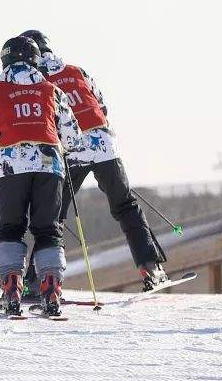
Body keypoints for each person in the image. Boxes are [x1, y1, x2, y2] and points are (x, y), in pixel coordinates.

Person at [20, 29, 168, 292]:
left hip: (70, 151)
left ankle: (36, 281)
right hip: (104, 145)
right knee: (126, 205)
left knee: (52, 217)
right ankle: (151, 267)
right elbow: (102, 105)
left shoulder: (34, 78)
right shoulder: (77, 70)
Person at [0, 36, 85, 316]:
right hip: (49, 168)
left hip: (11, 168)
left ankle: (10, 284)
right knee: (48, 230)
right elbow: (73, 138)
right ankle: (51, 285)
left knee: (11, 228)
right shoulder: (52, 91)